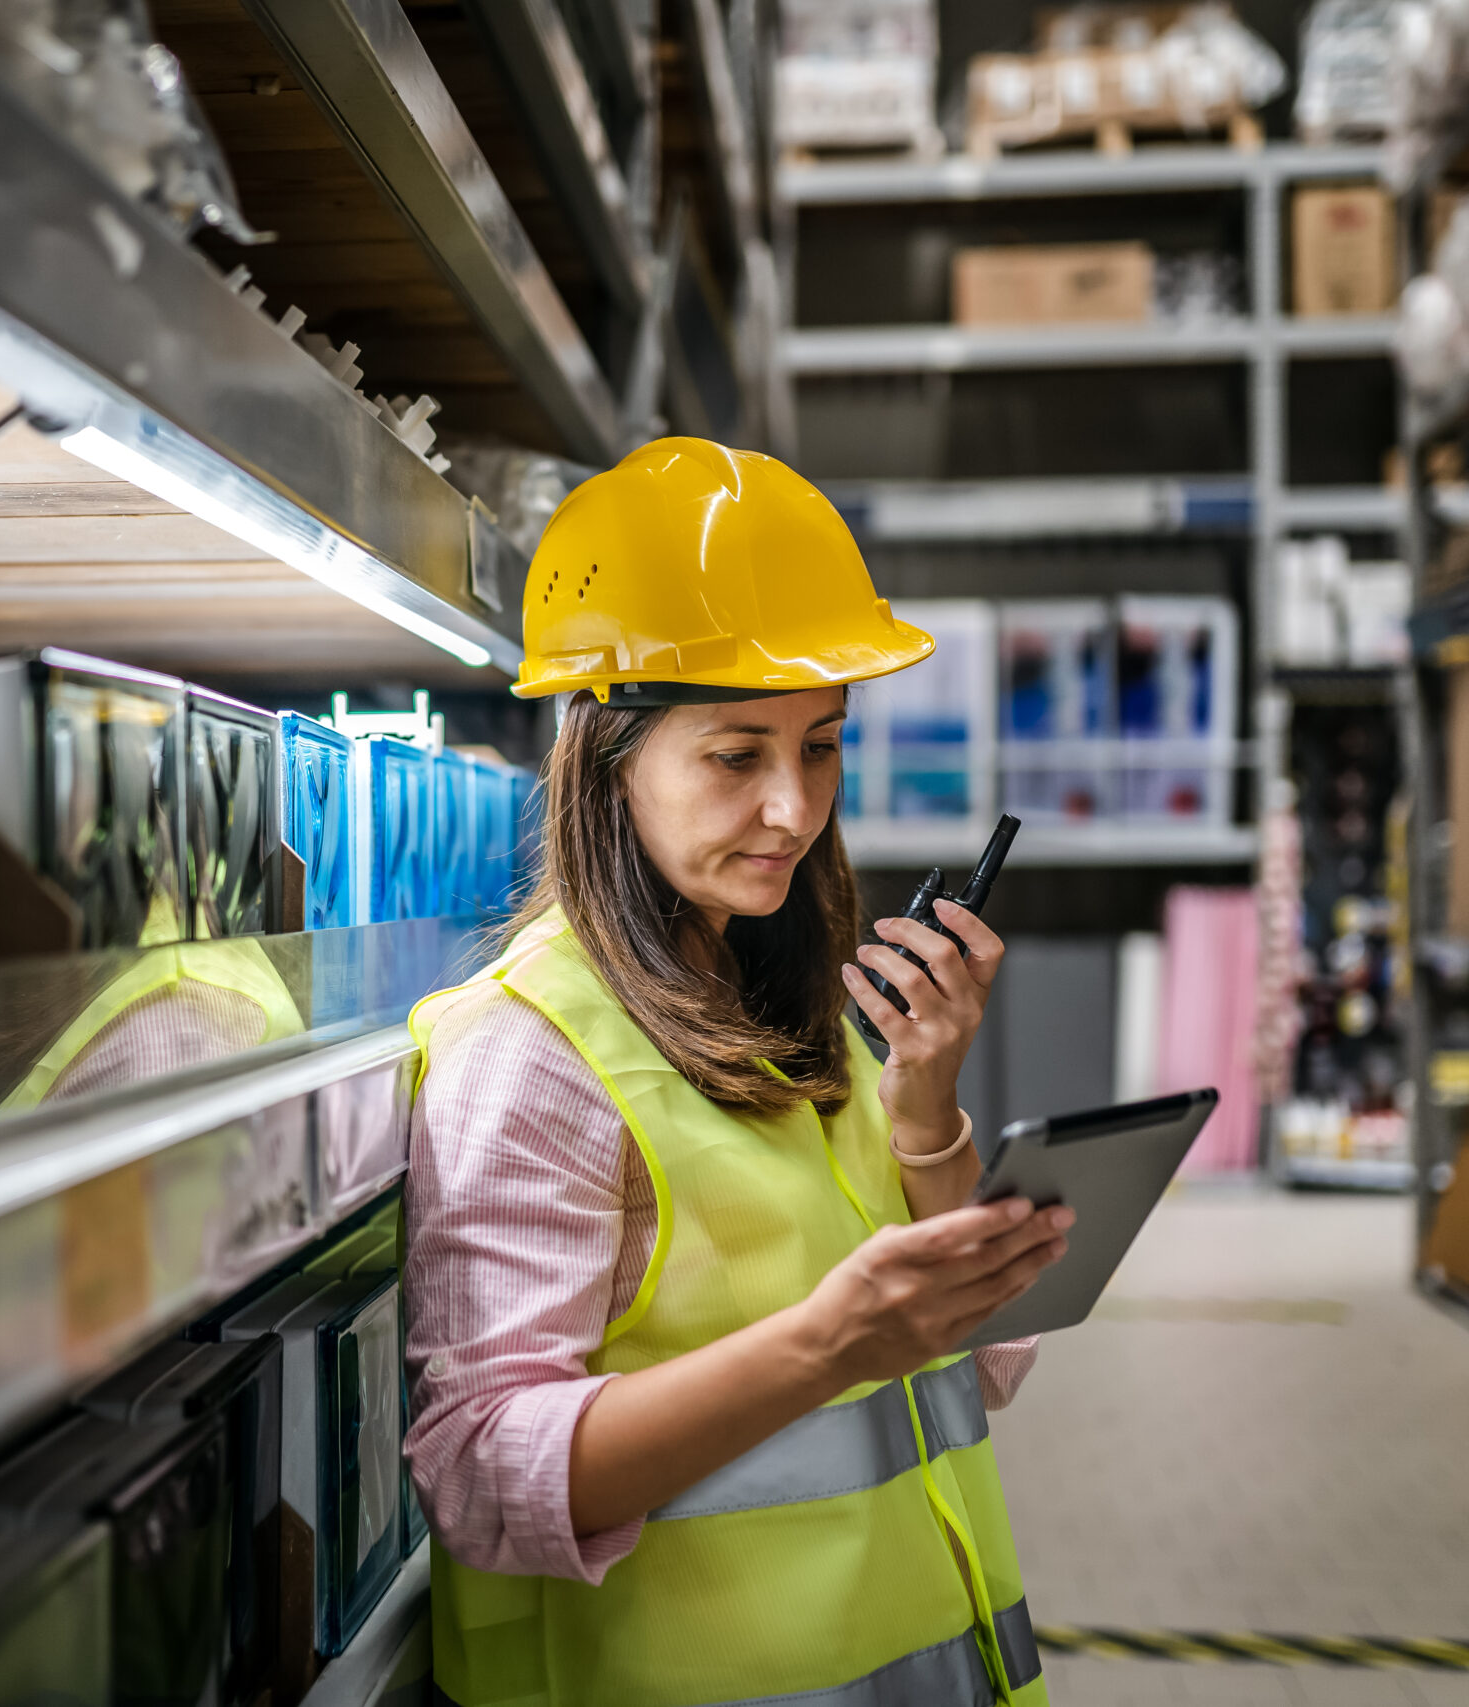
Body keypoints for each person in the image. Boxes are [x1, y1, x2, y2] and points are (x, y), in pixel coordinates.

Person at [405, 438, 1073, 1707]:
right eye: (735, 755)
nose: (793, 808)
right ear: (609, 754)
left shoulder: (790, 1012)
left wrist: (925, 1107)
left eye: (820, 746)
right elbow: (480, 1477)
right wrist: (825, 1344)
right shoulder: (529, 1055)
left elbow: (979, 1372)